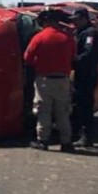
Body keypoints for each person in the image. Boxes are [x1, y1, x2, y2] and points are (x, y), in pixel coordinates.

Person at [23, 10, 77, 152]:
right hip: (63, 80)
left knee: (43, 112)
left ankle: (43, 140)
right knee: (63, 112)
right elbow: (73, 56)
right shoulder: (67, 38)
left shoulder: (39, 37)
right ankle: (66, 142)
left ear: (45, 22)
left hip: (44, 80)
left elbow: (27, 58)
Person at [71, 8, 98, 147]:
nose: (75, 22)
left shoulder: (91, 33)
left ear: (84, 18)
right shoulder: (79, 32)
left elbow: (88, 54)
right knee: (78, 105)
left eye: (77, 19)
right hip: (80, 74)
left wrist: (73, 60)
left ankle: (87, 137)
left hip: (87, 74)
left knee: (85, 107)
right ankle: (79, 135)